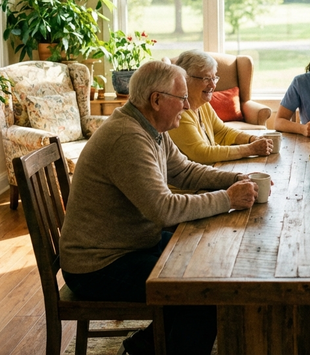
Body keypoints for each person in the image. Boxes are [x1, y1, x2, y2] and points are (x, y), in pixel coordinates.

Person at [59, 60, 262, 355]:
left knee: (208, 261)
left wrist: (236, 178)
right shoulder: (127, 137)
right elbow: (164, 210)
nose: (186, 105)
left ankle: (145, 346)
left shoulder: (150, 127)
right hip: (99, 265)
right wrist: (227, 199)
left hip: (133, 245)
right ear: (156, 100)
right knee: (202, 292)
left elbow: (186, 172)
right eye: (181, 99)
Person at [168, 49, 272, 164]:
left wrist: (252, 139)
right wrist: (251, 149)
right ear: (185, 79)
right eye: (206, 79)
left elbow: (222, 132)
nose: (213, 85)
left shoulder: (203, 104)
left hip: (211, 170)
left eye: (214, 78)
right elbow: (202, 154)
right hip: (190, 180)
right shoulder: (178, 113)